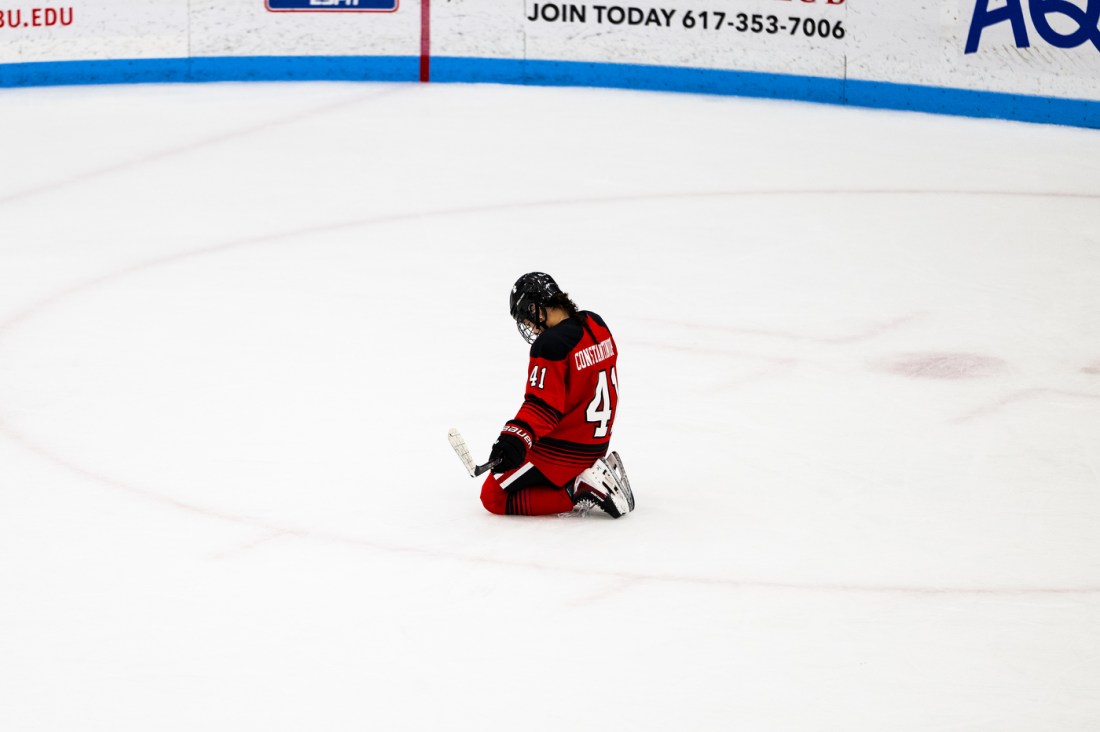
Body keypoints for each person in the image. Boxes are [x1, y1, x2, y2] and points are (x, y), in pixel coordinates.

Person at [480, 272, 635, 518]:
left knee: (492, 496)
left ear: (535, 306)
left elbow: (543, 409)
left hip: (565, 451)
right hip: (597, 442)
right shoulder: (596, 323)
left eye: (526, 317)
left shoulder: (551, 344)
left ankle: (578, 487)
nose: (529, 325)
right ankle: (586, 477)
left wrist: (514, 439)